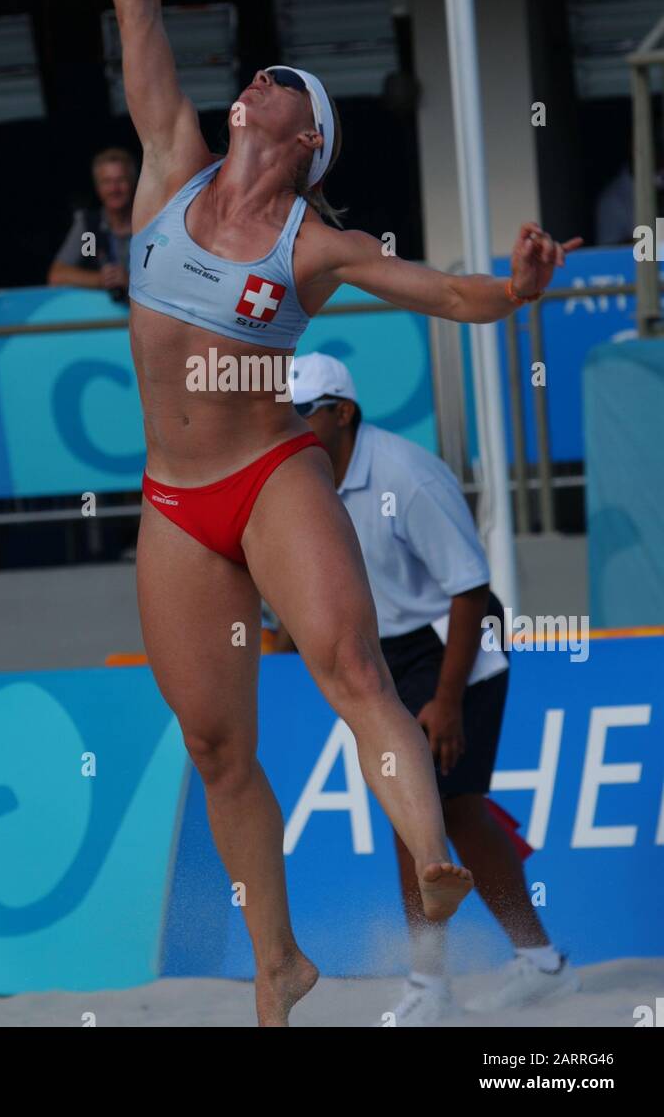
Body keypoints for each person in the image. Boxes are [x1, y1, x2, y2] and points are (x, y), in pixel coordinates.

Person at [97, 0, 582, 1027]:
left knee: (354, 667)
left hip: (268, 476)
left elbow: (446, 296)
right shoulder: (168, 163)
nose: (246, 83)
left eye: (273, 82)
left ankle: (428, 855)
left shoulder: (317, 242)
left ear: (307, 133)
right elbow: (138, 9)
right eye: (250, 78)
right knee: (217, 750)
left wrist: (515, 291)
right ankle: (281, 965)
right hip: (170, 499)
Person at [271, 352, 578, 1025]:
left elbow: (470, 592)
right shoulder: (299, 479)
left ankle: (429, 982)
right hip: (383, 653)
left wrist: (446, 700)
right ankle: (539, 961)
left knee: (422, 814)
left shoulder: (404, 475)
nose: (284, 426)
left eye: (299, 413)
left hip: (453, 642)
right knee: (450, 813)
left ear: (341, 413)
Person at [48, 147, 135, 297]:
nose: (114, 189)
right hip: (101, 316)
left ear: (133, 183)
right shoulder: (89, 227)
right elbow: (57, 275)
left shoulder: (150, 223)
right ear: (97, 187)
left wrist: (132, 281)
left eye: (120, 180)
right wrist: (100, 279)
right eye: (107, 182)